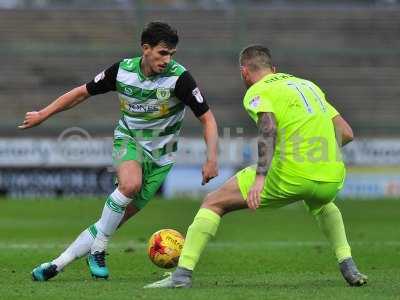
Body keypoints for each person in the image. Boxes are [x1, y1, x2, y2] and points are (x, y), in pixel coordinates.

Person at [144, 45, 367, 288]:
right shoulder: (309, 86)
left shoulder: (259, 90)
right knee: (322, 203)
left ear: (244, 72)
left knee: (213, 202)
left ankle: (182, 275)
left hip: (291, 175)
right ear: (274, 69)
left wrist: (260, 178)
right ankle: (347, 263)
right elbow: (346, 133)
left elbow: (268, 129)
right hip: (331, 177)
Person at [19, 22, 219, 281]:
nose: (167, 60)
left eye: (171, 54)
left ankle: (57, 264)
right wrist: (43, 114)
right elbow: (82, 92)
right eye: (162, 53)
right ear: (145, 49)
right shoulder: (122, 71)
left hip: (161, 159)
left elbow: (208, 119)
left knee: (110, 223)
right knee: (129, 185)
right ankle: (99, 249)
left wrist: (212, 158)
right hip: (130, 140)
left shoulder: (180, 79)